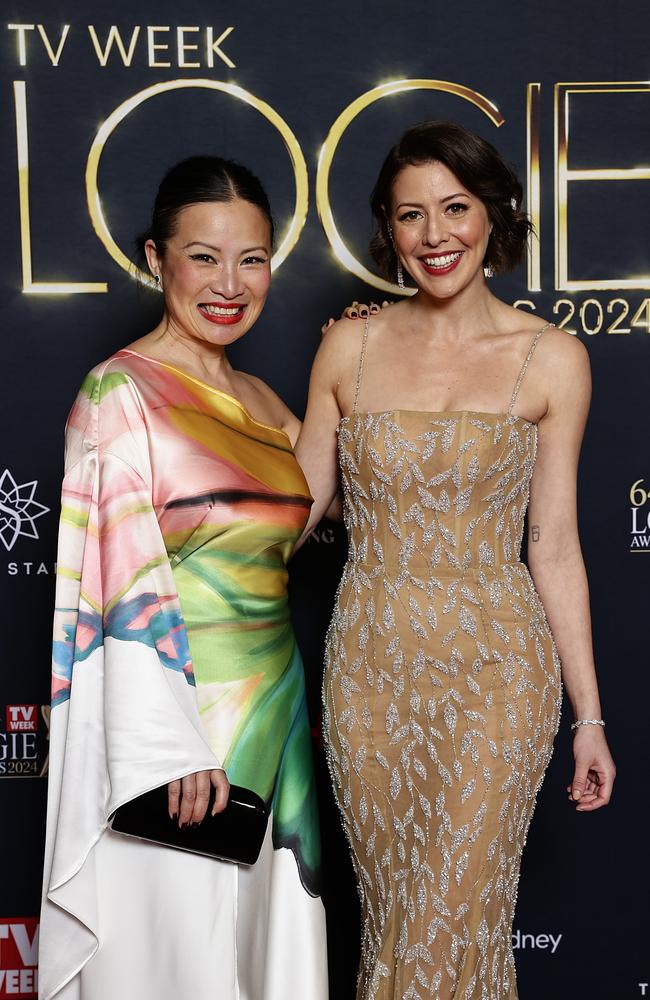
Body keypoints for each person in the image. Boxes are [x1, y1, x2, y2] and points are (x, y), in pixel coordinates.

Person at [295, 121, 615, 1000]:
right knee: (397, 922)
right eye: (411, 216)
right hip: (370, 672)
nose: (435, 235)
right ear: (387, 232)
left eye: (455, 208)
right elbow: (293, 512)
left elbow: (553, 544)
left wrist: (587, 717)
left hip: (497, 673)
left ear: (494, 214)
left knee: (452, 918)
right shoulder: (346, 347)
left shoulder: (552, 359)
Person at [40, 156, 327, 1000]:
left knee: (258, 961)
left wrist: (364, 349)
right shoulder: (119, 394)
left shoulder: (267, 403)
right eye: (203, 257)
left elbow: (330, 503)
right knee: (176, 966)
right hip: (175, 742)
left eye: (252, 258)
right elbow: (115, 584)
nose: (229, 284)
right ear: (154, 258)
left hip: (275, 727)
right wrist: (167, 748)